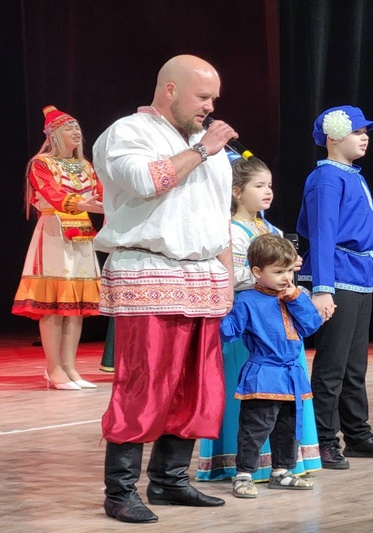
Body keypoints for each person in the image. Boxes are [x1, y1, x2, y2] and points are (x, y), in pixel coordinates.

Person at [92, 55, 240, 524]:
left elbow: (218, 217)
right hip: (149, 269)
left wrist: (227, 277)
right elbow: (145, 181)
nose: (211, 106)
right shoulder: (127, 132)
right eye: (203, 97)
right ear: (170, 89)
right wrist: (204, 150)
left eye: (214, 98)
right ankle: (120, 490)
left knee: (197, 387)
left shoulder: (204, 144)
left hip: (203, 276)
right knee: (146, 382)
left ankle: (171, 479)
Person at [296, 105, 373, 470]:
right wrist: (322, 288)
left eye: (365, 132)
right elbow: (323, 234)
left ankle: (357, 434)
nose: (365, 137)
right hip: (336, 278)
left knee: (354, 365)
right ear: (333, 137)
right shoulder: (327, 177)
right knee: (332, 365)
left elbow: (361, 239)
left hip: (358, 278)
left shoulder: (351, 176)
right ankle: (323, 439)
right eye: (356, 131)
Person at [197, 157, 322, 481]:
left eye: (269, 185)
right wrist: (269, 274)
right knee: (254, 404)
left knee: (286, 402)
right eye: (259, 185)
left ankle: (283, 464)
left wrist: (284, 274)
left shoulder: (272, 230)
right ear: (237, 191)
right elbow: (227, 275)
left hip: (280, 317)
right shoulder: (229, 230)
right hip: (249, 320)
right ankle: (244, 466)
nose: (268, 191)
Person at [219, 233, 323, 498]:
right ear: (257, 272)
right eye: (278, 272)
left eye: (288, 271)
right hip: (263, 374)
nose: (285, 278)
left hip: (292, 375)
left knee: (288, 427)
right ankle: (244, 475)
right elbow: (229, 332)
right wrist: (220, 306)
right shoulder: (247, 300)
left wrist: (295, 298)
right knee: (255, 428)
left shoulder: (293, 296)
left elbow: (311, 325)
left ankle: (282, 471)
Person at [12, 105, 104, 390]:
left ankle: (70, 367)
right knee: (53, 304)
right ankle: (54, 368)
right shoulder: (41, 164)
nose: (76, 132)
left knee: (75, 305)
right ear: (53, 135)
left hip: (82, 233)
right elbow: (52, 193)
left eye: (77, 127)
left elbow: (102, 194)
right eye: (69, 127)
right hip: (54, 232)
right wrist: (81, 203)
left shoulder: (86, 166)